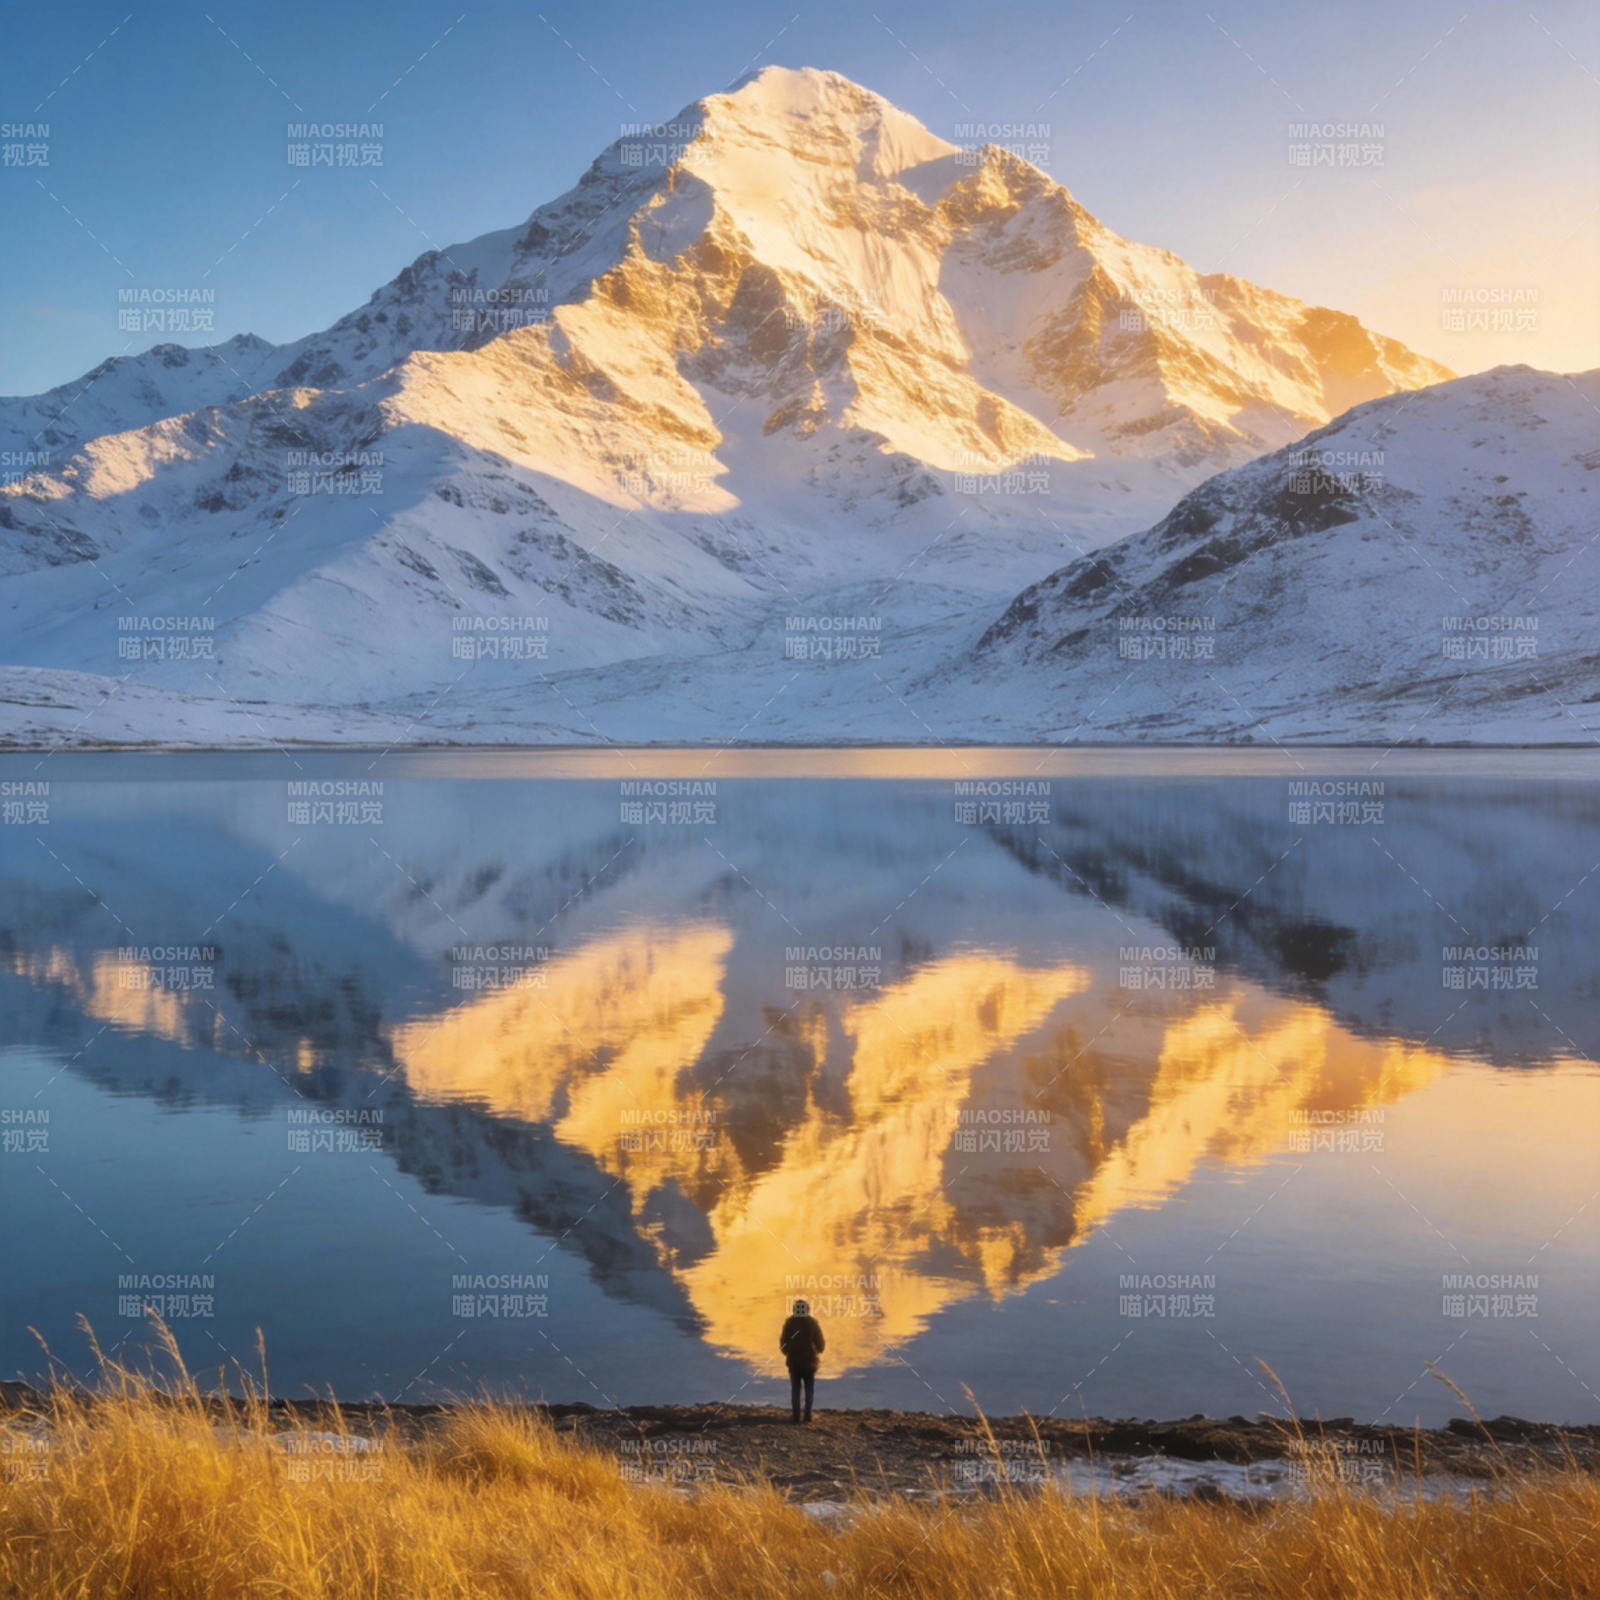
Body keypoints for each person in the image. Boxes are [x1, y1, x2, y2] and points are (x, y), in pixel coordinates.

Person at [779, 1298, 825, 1423]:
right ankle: (808, 1415)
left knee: (795, 1389)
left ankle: (796, 1416)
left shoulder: (789, 1323)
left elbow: (783, 1343)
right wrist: (818, 1350)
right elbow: (820, 1343)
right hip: (810, 1362)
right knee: (809, 1389)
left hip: (794, 1362)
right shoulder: (812, 1323)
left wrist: (788, 1353)